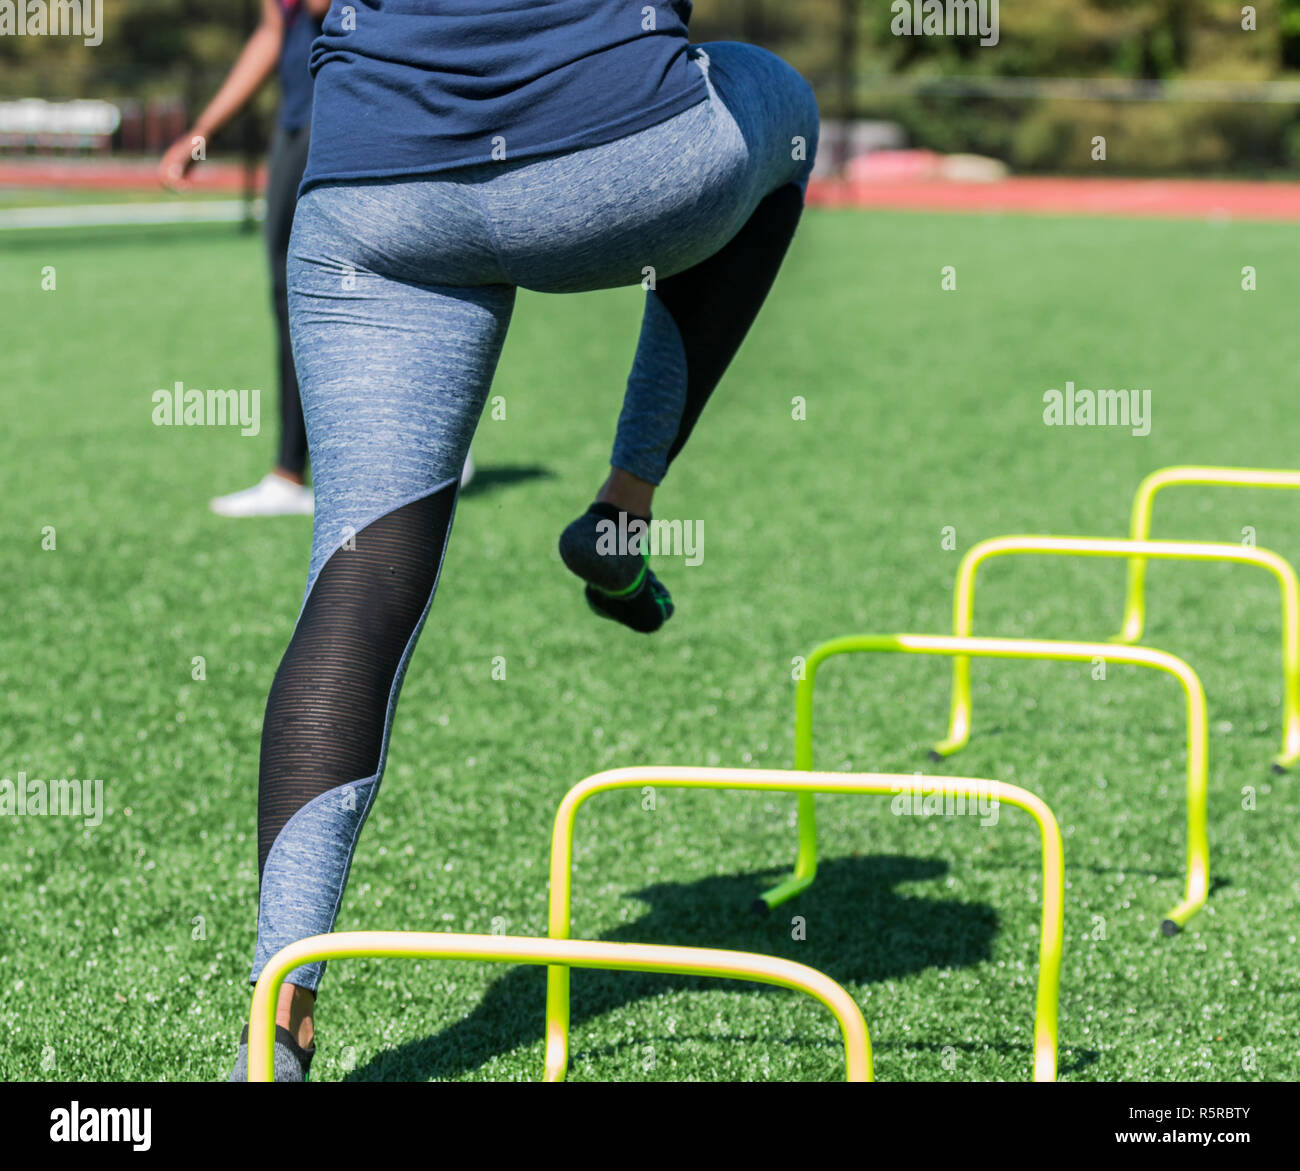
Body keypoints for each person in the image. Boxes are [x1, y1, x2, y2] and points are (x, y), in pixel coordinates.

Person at [228, 0, 818, 1080]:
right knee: (783, 105)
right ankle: (624, 504)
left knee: (355, 585)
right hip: (621, 169)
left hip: (374, 189)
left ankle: (277, 1028)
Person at [159, 0, 475, 520]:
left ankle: (410, 446)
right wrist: (203, 131)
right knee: (291, 294)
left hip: (349, 113)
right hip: (293, 123)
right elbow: (271, 33)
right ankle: (302, 470)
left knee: (359, 289)